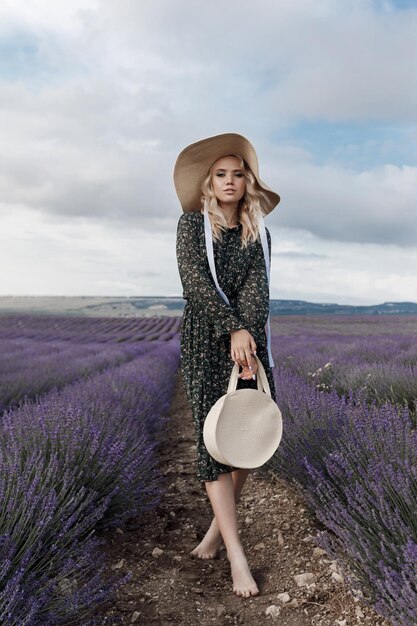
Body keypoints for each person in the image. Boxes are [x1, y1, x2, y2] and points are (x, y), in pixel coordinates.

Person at [173, 133, 280, 598]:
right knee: (214, 442)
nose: (230, 181)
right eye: (221, 174)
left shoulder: (259, 231)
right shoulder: (191, 226)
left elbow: (259, 286)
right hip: (205, 340)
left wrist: (247, 336)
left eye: (238, 174)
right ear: (208, 182)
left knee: (249, 435)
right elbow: (195, 282)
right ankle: (237, 556)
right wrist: (231, 328)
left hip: (249, 343)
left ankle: (217, 532)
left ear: (248, 181)